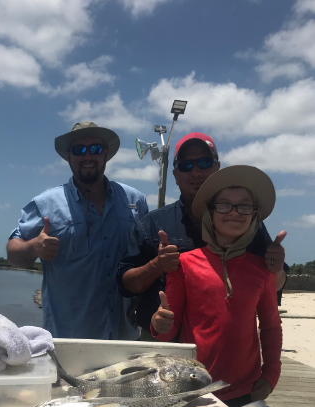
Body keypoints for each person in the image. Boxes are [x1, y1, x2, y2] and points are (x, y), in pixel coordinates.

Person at [117, 132, 287, 340]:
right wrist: (157, 265)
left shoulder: (247, 222)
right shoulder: (152, 224)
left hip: (225, 346)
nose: (196, 172)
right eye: (186, 166)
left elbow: (275, 285)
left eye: (204, 163)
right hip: (163, 339)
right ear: (175, 175)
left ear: (217, 168)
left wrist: (276, 269)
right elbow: (126, 285)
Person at [150, 165, 282, 407]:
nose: (234, 212)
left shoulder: (263, 269)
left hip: (246, 392)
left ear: (254, 214)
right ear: (210, 212)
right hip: (192, 389)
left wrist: (271, 373)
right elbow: (169, 330)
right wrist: (159, 323)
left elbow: (271, 325)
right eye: (224, 205)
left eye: (244, 205)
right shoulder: (184, 264)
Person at [7, 122, 148, 339]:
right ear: (68, 156)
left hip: (125, 337)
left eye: (96, 149)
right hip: (68, 339)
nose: (88, 155)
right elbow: (13, 254)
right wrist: (34, 246)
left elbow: (145, 258)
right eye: (79, 150)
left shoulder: (135, 201)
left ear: (106, 154)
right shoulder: (45, 204)